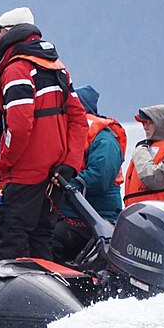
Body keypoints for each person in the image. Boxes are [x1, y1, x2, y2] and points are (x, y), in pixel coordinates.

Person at [0, 8, 89, 260]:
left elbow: (20, 126)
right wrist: (70, 164)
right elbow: (79, 120)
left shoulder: (17, 71)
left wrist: (4, 163)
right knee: (41, 238)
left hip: (23, 174)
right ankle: (47, 293)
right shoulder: (58, 69)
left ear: (11, 33)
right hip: (54, 177)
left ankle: (14, 297)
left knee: (12, 236)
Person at [53, 85, 126, 263]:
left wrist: (70, 184)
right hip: (69, 214)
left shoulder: (105, 139)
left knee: (53, 239)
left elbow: (100, 177)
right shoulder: (69, 136)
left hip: (98, 219)